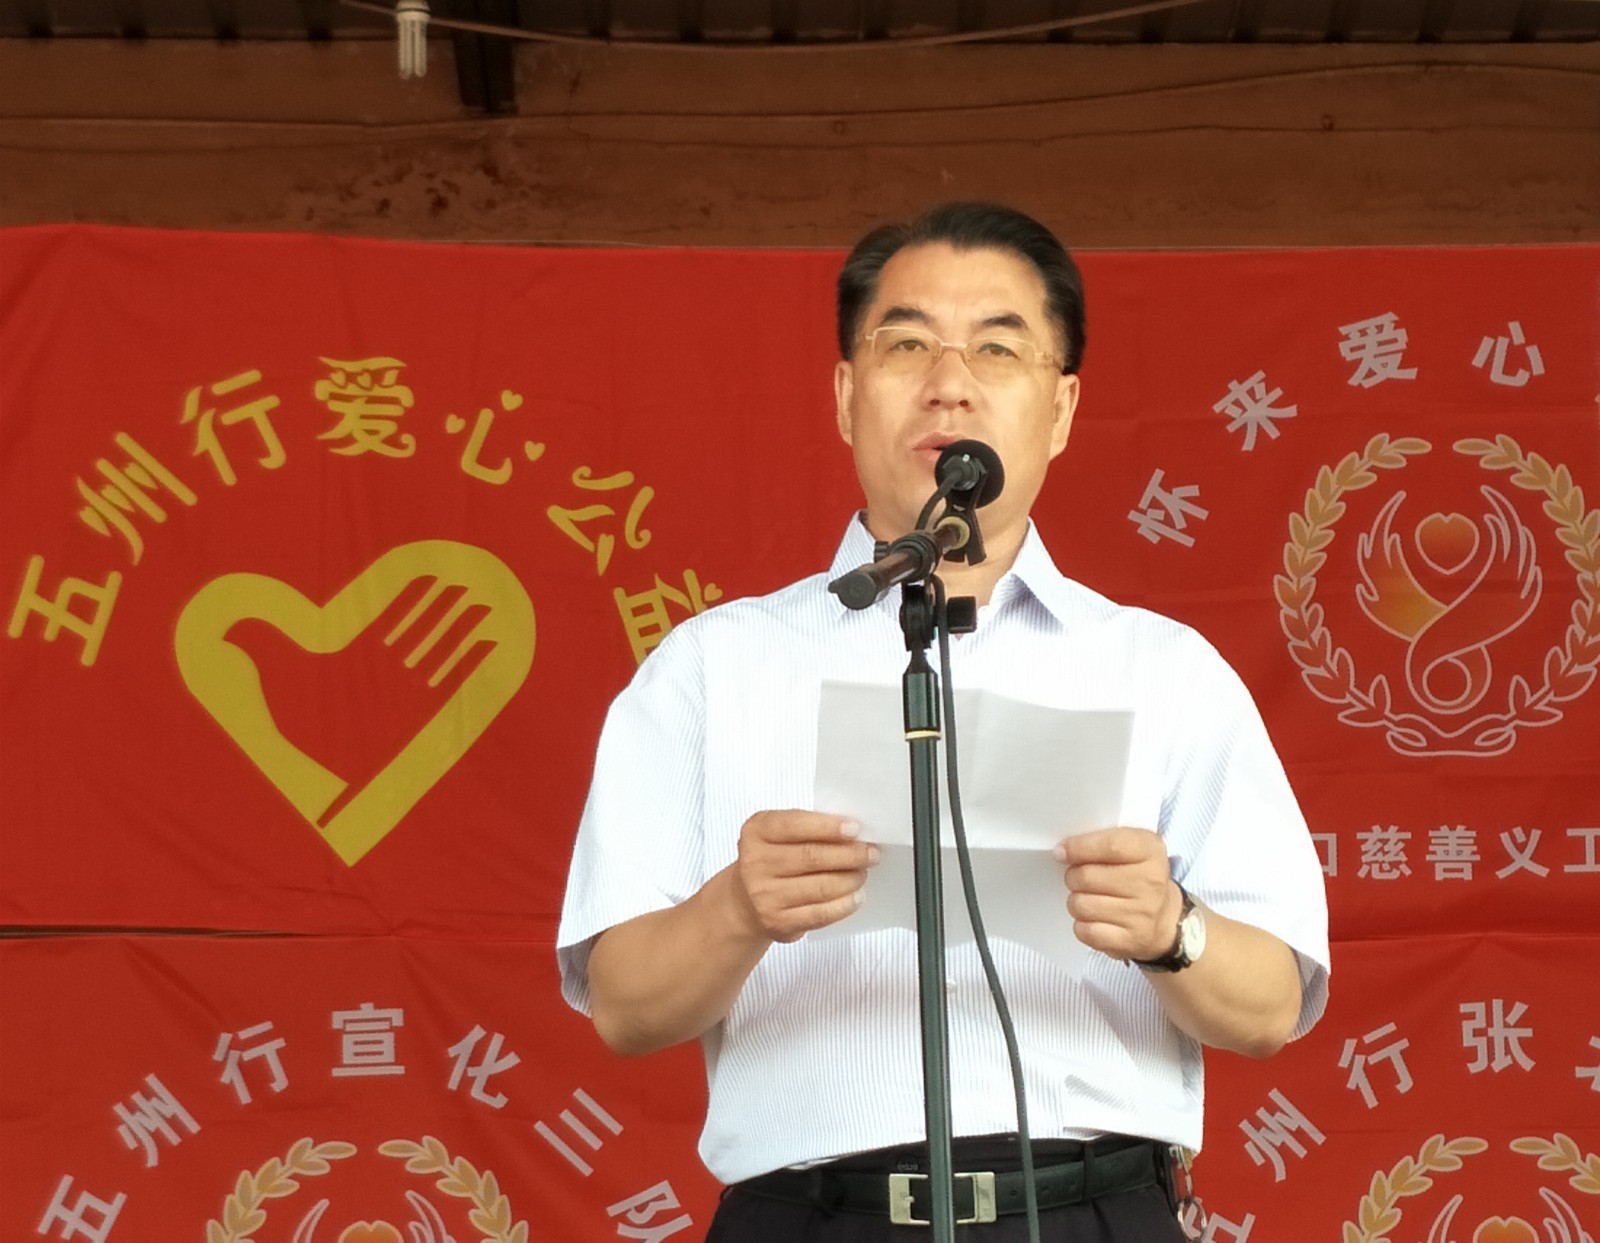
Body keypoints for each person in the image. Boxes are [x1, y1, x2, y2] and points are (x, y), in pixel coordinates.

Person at [557, 202, 1330, 1241]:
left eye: (997, 348)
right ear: (846, 394)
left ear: (1060, 408)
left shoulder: (1164, 670)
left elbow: (1271, 1004)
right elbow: (623, 1006)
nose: (949, 382)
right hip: (817, 1219)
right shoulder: (711, 667)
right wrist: (737, 907)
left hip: (1092, 1211)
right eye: (907, 343)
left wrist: (1168, 928)